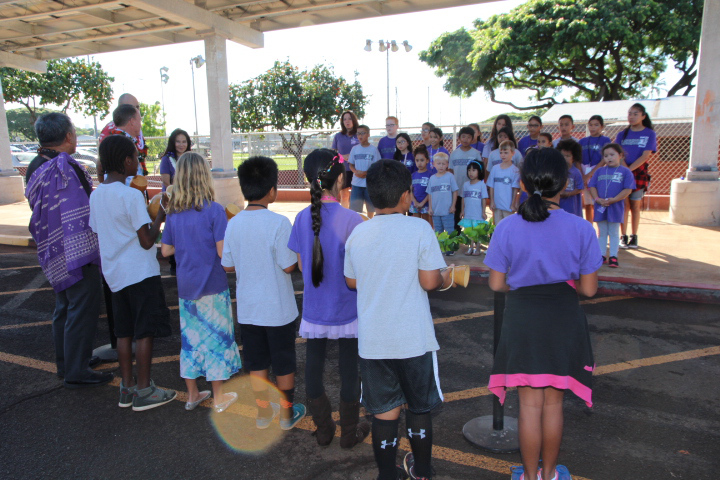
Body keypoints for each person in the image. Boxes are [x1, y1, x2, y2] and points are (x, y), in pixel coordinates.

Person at [485, 147, 602, 480]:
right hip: (563, 318)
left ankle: (530, 477)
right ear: (564, 185)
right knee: (554, 405)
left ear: (521, 182)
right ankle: (550, 475)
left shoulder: (507, 227)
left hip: (523, 318)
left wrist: (525, 281)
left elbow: (497, 283)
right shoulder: (581, 228)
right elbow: (590, 289)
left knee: (529, 407)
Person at [344, 159, 452, 480]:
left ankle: (386, 475)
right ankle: (421, 472)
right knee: (418, 409)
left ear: (372, 196)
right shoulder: (419, 228)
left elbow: (351, 281)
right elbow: (430, 281)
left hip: (375, 342)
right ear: (407, 196)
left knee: (384, 413)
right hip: (413, 340)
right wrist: (447, 276)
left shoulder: (358, 234)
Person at [288, 149, 370, 448]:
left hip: (315, 308)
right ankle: (349, 432)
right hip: (348, 307)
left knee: (313, 366)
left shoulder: (300, 217)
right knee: (350, 369)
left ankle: (323, 429)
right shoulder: (353, 220)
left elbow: (299, 264)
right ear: (339, 179)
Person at [24, 113, 112, 388]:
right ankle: (77, 369)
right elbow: (86, 207)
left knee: (64, 306)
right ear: (67, 136)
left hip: (52, 249)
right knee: (81, 308)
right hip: (77, 249)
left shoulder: (36, 166)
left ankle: (68, 362)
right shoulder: (65, 168)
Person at [90, 135, 175, 411]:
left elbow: (99, 229)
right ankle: (145, 390)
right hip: (139, 272)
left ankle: (126, 388)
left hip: (114, 274)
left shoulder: (97, 194)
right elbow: (147, 240)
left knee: (123, 332)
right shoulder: (130, 195)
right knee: (144, 332)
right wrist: (160, 213)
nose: (139, 163)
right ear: (127, 161)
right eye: (137, 158)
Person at [221, 156, 306, 430]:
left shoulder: (233, 223)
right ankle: (286, 413)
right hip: (278, 309)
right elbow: (288, 264)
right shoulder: (279, 223)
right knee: (283, 361)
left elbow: (228, 264)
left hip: (248, 308)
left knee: (256, 361)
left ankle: (262, 413)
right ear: (272, 190)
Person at [160, 152, 242, 412]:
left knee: (191, 340)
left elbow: (165, 251)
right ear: (205, 177)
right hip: (213, 287)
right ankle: (219, 398)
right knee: (216, 339)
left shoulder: (174, 213)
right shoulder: (214, 211)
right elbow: (221, 253)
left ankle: (193, 394)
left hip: (187, 288)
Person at [616, 103, 657, 250]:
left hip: (639, 172)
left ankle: (634, 236)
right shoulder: (622, 134)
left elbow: (646, 156)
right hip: (622, 171)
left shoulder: (649, 134)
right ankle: (623, 236)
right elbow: (617, 154)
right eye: (629, 113)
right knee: (624, 205)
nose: (631, 117)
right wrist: (625, 169)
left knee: (635, 205)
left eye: (635, 114)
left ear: (643, 116)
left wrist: (631, 170)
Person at [588, 144, 636, 268]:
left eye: (612, 155)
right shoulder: (599, 171)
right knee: (602, 231)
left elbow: (628, 190)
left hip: (615, 206)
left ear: (620, 156)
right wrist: (598, 199)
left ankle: (613, 256)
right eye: (606, 156)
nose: (609, 158)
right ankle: (601, 255)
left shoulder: (625, 172)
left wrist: (614, 199)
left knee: (614, 232)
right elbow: (592, 186)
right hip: (600, 206)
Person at [159, 128, 192, 275]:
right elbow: (167, 181)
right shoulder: (167, 159)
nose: (181, 144)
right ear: (173, 142)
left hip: (190, 201)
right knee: (174, 231)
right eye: (178, 141)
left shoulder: (191, 158)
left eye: (184, 141)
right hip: (174, 201)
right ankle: (174, 263)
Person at [98, 97, 147, 182]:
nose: (141, 125)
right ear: (132, 121)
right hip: (126, 191)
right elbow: (100, 164)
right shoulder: (120, 143)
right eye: (139, 120)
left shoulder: (121, 139)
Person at [449, 126, 483, 231]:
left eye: (468, 137)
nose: (465, 139)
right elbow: (451, 171)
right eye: (463, 137)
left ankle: (471, 237)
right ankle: (457, 235)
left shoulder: (476, 153)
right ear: (459, 138)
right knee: (457, 213)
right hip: (457, 190)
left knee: (471, 213)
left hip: (471, 191)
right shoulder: (454, 153)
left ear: (472, 139)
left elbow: (480, 170)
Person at [579, 116, 611, 222]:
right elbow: (577, 160)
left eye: (596, 125)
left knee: (597, 202)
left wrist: (591, 174)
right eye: (591, 125)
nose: (593, 128)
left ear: (601, 127)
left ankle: (600, 227)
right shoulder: (582, 141)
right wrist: (583, 176)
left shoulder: (605, 140)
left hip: (598, 174)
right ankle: (589, 227)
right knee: (588, 204)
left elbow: (604, 159)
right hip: (584, 174)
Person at [348, 125, 381, 218]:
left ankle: (370, 223)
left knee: (371, 208)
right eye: (358, 133)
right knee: (355, 210)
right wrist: (355, 171)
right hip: (356, 184)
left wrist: (366, 173)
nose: (360, 136)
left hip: (369, 184)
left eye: (363, 133)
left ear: (368, 134)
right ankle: (357, 226)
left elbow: (376, 165)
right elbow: (351, 164)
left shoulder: (373, 150)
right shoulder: (354, 149)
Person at [426, 152, 458, 244]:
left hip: (447, 211)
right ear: (434, 164)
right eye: (438, 163)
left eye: (443, 164)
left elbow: (455, 191)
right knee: (438, 231)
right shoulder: (432, 178)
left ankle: (450, 249)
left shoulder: (450, 176)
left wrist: (453, 206)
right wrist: (430, 208)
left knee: (449, 231)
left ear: (447, 165)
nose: (441, 166)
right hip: (436, 211)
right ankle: (440, 248)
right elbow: (430, 194)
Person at [459, 160, 488, 256]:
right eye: (469, 170)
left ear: (479, 171)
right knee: (470, 230)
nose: (471, 172)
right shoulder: (466, 184)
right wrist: (462, 210)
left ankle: (478, 247)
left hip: (477, 212)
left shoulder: (481, 185)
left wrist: (483, 212)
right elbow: (463, 198)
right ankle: (470, 247)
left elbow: (484, 199)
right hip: (468, 212)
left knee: (477, 231)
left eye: (474, 170)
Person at [332, 110, 361, 208]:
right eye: (345, 119)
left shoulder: (359, 134)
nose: (347, 121)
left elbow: (365, 149)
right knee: (344, 195)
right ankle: (345, 215)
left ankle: (356, 216)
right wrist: (342, 156)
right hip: (343, 169)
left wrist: (352, 155)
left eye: (349, 118)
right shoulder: (338, 136)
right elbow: (333, 153)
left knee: (356, 196)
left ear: (354, 120)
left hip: (357, 169)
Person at [487, 140, 521, 223]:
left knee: (507, 227)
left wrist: (513, 204)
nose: (503, 155)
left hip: (508, 206)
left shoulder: (515, 170)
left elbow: (515, 189)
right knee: (497, 227)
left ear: (512, 153)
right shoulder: (495, 168)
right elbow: (491, 186)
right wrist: (492, 201)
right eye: (501, 152)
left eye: (506, 152)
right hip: (497, 206)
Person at [557, 140, 584, 217]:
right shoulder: (556, 171)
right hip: (559, 205)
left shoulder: (576, 172)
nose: (564, 158)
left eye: (568, 156)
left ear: (574, 157)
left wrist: (567, 194)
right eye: (562, 156)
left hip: (572, 207)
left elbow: (580, 188)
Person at [410, 146, 433, 224]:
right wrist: (415, 202)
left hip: (426, 205)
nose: (419, 163)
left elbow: (430, 192)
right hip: (415, 204)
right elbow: (410, 191)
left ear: (427, 160)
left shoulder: (430, 175)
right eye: (417, 160)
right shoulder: (413, 175)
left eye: (422, 160)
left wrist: (422, 203)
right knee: (416, 224)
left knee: (426, 224)